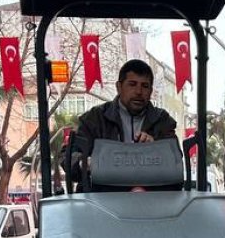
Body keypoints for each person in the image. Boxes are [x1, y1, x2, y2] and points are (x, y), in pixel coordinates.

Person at [70, 59, 179, 189]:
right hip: (102, 195)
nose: (139, 91)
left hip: (151, 196)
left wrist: (156, 149)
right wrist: (86, 162)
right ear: (119, 87)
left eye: (145, 86)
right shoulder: (94, 118)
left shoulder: (163, 120)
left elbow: (176, 163)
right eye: (132, 84)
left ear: (151, 91)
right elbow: (69, 156)